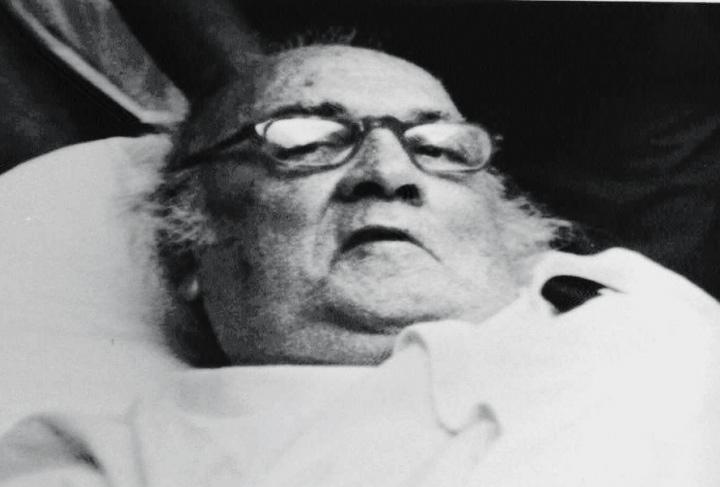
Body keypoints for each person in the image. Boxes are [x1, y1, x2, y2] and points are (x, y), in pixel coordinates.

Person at [1, 44, 719, 486]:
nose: (389, 171)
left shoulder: (644, 302)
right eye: (305, 140)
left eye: (438, 147)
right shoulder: (126, 460)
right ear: (193, 242)